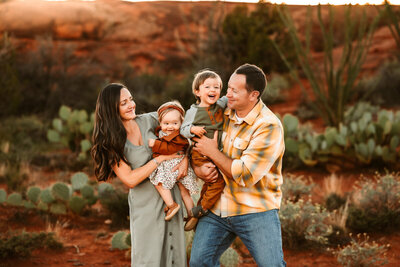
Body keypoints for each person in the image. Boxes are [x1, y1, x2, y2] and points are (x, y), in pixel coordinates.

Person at [189, 64, 286, 267]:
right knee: (199, 262)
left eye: (234, 90)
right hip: (218, 206)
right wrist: (198, 168)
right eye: (228, 88)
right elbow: (194, 138)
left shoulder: (268, 125)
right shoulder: (222, 112)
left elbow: (244, 174)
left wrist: (212, 152)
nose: (227, 94)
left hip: (255, 209)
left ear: (253, 95)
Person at [91, 83, 187, 267]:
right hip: (146, 207)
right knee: (148, 259)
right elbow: (131, 179)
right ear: (111, 109)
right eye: (123, 103)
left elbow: (181, 126)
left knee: (175, 257)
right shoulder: (111, 142)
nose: (131, 105)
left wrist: (185, 159)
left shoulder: (150, 120)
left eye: (131, 99)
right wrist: (160, 159)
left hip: (171, 201)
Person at [180, 69, 227, 231]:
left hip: (215, 153)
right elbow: (183, 129)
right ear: (197, 92)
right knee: (218, 181)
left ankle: (197, 212)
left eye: (216, 87)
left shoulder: (220, 105)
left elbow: (233, 96)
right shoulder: (193, 111)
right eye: (207, 87)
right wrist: (192, 129)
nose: (213, 90)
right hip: (200, 152)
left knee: (210, 182)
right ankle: (202, 209)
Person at [148, 100, 198, 221]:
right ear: (160, 122)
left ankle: (172, 205)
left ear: (182, 123)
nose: (170, 127)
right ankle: (192, 215)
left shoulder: (180, 136)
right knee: (183, 191)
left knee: (158, 183)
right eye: (166, 123)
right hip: (175, 165)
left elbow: (170, 148)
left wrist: (155, 144)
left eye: (175, 123)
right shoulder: (162, 132)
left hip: (174, 165)